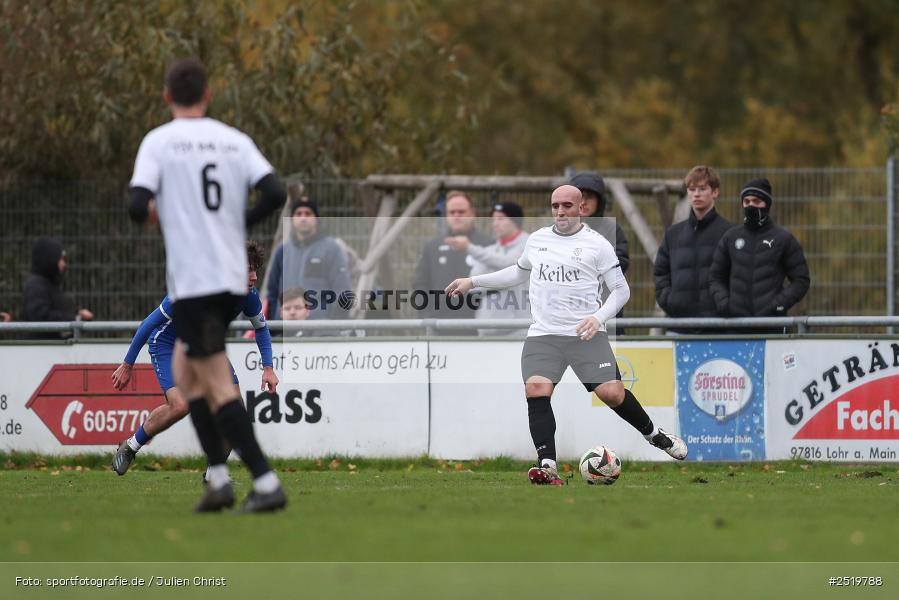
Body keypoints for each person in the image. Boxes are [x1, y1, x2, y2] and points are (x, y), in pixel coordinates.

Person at [445, 185, 687, 486]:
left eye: (567, 206)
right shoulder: (537, 240)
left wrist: (597, 317)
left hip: (585, 335)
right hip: (544, 334)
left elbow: (621, 291)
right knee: (536, 388)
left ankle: (655, 436)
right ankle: (547, 466)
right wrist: (473, 281)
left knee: (611, 394)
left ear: (581, 208)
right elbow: (518, 273)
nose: (560, 211)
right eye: (555, 206)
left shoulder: (597, 244)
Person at [128, 58, 287, 513]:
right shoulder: (234, 140)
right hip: (228, 280)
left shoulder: (159, 142)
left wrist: (159, 215)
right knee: (187, 372)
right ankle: (218, 479)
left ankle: (266, 482)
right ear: (208, 96)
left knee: (215, 384)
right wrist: (234, 224)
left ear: (166, 96)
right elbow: (275, 193)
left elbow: (137, 205)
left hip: (196, 280)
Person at [110, 241, 278, 478]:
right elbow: (149, 323)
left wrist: (268, 368)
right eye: (247, 269)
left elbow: (261, 328)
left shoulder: (248, 296)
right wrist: (127, 364)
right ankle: (131, 447)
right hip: (168, 343)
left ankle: (215, 474)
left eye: (255, 269)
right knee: (180, 405)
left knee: (236, 414)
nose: (253, 276)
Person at [709, 178, 810, 332]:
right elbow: (715, 276)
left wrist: (778, 304)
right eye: (747, 201)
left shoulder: (783, 238)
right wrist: (724, 303)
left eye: (756, 201)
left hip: (772, 327)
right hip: (737, 327)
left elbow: (801, 280)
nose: (750, 206)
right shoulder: (731, 237)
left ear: (767, 204)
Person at [653, 166, 733, 333]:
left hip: (719, 327)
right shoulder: (673, 234)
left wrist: (725, 305)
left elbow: (738, 276)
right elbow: (660, 274)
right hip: (679, 326)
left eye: (702, 189)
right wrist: (672, 302)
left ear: (715, 192)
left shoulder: (730, 233)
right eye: (692, 189)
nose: (696, 194)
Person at [413, 191, 492, 334]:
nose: (456, 216)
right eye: (452, 212)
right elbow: (420, 284)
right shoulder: (432, 246)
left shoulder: (488, 245)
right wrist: (426, 317)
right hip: (440, 328)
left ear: (472, 213)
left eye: (461, 211)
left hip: (478, 329)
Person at [447, 202, 530, 336]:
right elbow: (475, 280)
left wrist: (470, 248)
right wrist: (499, 279)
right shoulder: (489, 251)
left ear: (516, 221)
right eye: (493, 219)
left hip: (518, 329)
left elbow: (510, 265)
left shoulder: (529, 244)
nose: (495, 223)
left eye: (501, 219)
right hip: (486, 327)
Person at [265, 198, 352, 321]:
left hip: (319, 330)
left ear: (316, 219)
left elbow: (342, 290)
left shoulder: (332, 249)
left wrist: (333, 325)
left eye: (308, 213)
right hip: (285, 328)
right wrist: (274, 323)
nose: (303, 218)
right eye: (298, 214)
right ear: (292, 219)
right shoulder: (282, 252)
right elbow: (272, 292)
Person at [569, 172, 629, 335]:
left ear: (600, 201)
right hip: (567, 316)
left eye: (589, 197)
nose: (583, 202)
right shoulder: (558, 231)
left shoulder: (612, 229)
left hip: (605, 314)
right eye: (579, 197)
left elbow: (621, 264)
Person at [22, 237, 93, 339]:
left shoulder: (50, 285)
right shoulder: (36, 285)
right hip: (41, 350)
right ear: (49, 258)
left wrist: (78, 320)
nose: (64, 264)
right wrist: (75, 319)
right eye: (61, 259)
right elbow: (41, 317)